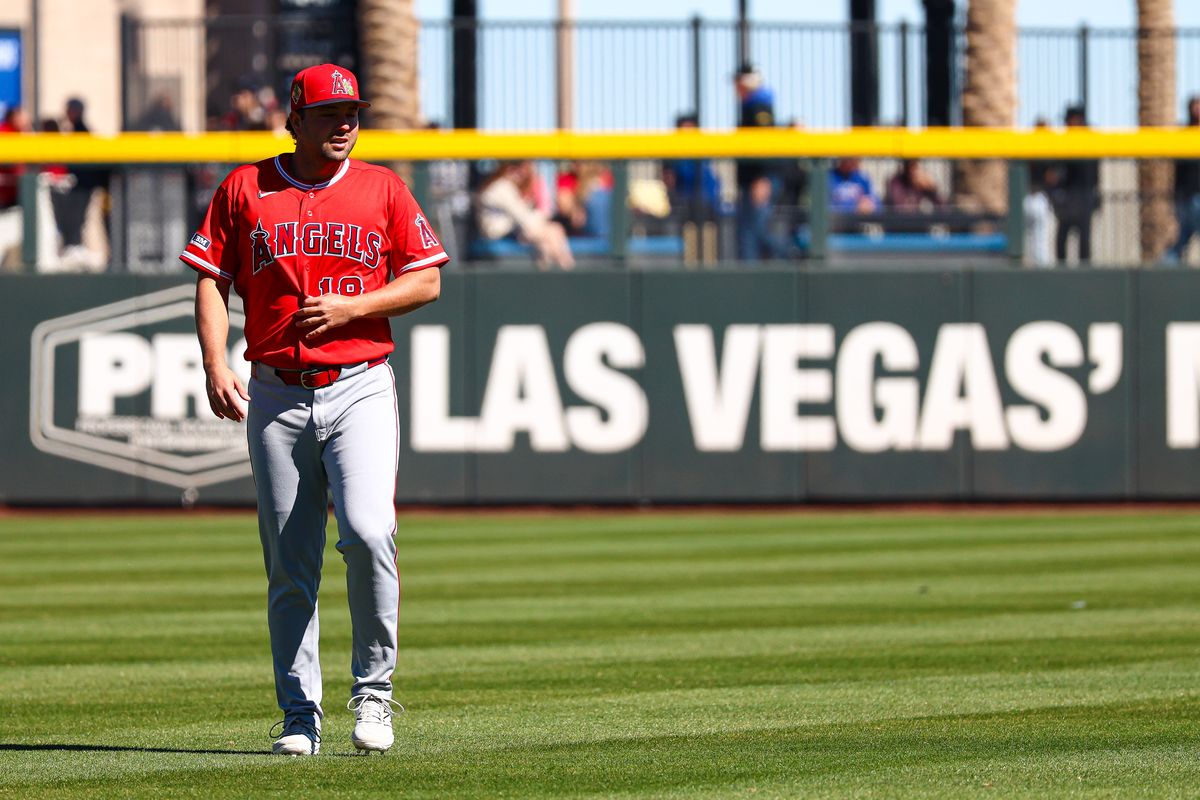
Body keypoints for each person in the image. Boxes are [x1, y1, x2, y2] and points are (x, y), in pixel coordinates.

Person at [180, 63, 448, 757]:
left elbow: (427, 280)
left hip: (360, 382)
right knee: (290, 563)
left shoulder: (383, 188)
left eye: (352, 111)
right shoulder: (245, 186)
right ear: (294, 119)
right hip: (275, 391)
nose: (345, 123)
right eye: (329, 113)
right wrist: (214, 361)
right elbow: (212, 279)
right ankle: (300, 714)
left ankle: (375, 695)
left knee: (367, 530)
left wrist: (357, 306)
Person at [734, 63, 788, 260]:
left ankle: (795, 257)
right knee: (749, 232)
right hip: (754, 179)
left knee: (755, 231)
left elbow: (765, 144)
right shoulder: (751, 105)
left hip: (761, 179)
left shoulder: (759, 106)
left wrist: (762, 177)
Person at [477, 160, 574, 269]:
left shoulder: (511, 185)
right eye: (514, 166)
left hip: (513, 230)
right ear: (504, 167)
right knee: (550, 232)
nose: (519, 171)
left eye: (522, 166)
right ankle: (564, 270)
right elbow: (525, 219)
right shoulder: (501, 187)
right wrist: (544, 215)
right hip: (496, 235)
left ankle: (557, 272)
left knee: (551, 234)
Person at [1049, 105, 1101, 264]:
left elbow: (1094, 174)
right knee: (1061, 242)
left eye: (1070, 120)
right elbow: (1056, 171)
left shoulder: (1089, 140)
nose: (1067, 124)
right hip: (1067, 199)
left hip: (1084, 197)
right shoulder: (1065, 141)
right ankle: (1061, 273)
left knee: (1084, 243)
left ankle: (1084, 275)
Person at [1167, 96, 1200, 265]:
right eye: (1195, 107)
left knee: (1183, 238)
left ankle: (1166, 265)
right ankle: (1165, 268)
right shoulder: (1184, 134)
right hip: (1188, 196)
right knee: (1183, 238)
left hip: (1193, 198)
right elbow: (1177, 171)